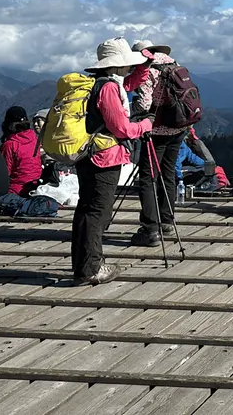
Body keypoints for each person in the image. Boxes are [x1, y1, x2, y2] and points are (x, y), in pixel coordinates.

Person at [72, 38, 155, 286]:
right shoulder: (108, 89)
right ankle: (91, 269)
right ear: (116, 65)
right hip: (103, 158)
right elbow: (120, 128)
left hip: (88, 156)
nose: (129, 68)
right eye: (127, 64)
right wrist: (145, 125)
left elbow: (129, 83)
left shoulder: (99, 84)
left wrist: (144, 65)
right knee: (97, 212)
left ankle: (84, 266)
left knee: (87, 210)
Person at [128, 39, 187, 248]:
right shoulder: (174, 65)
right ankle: (167, 221)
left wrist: (131, 108)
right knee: (168, 172)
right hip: (180, 127)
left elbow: (144, 105)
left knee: (148, 177)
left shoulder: (148, 70)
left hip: (157, 131)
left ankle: (150, 229)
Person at [0, 106, 43, 196]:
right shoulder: (34, 139)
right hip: (36, 185)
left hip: (16, 190)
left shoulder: (10, 144)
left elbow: (4, 173)